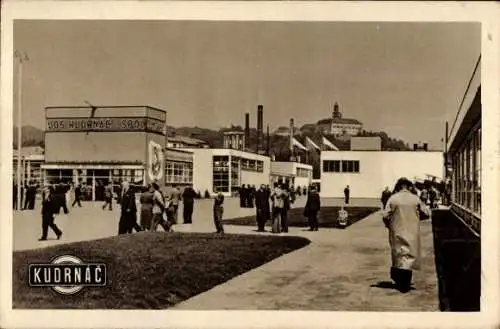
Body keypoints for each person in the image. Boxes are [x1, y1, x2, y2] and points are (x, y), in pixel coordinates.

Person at [382, 177, 431, 293]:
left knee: (399, 254)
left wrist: (389, 224)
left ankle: (399, 280)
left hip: (396, 230)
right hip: (412, 231)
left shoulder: (393, 199)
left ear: (398, 186)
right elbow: (426, 213)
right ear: (409, 186)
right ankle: (406, 282)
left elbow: (385, 215)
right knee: (409, 255)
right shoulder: (415, 199)